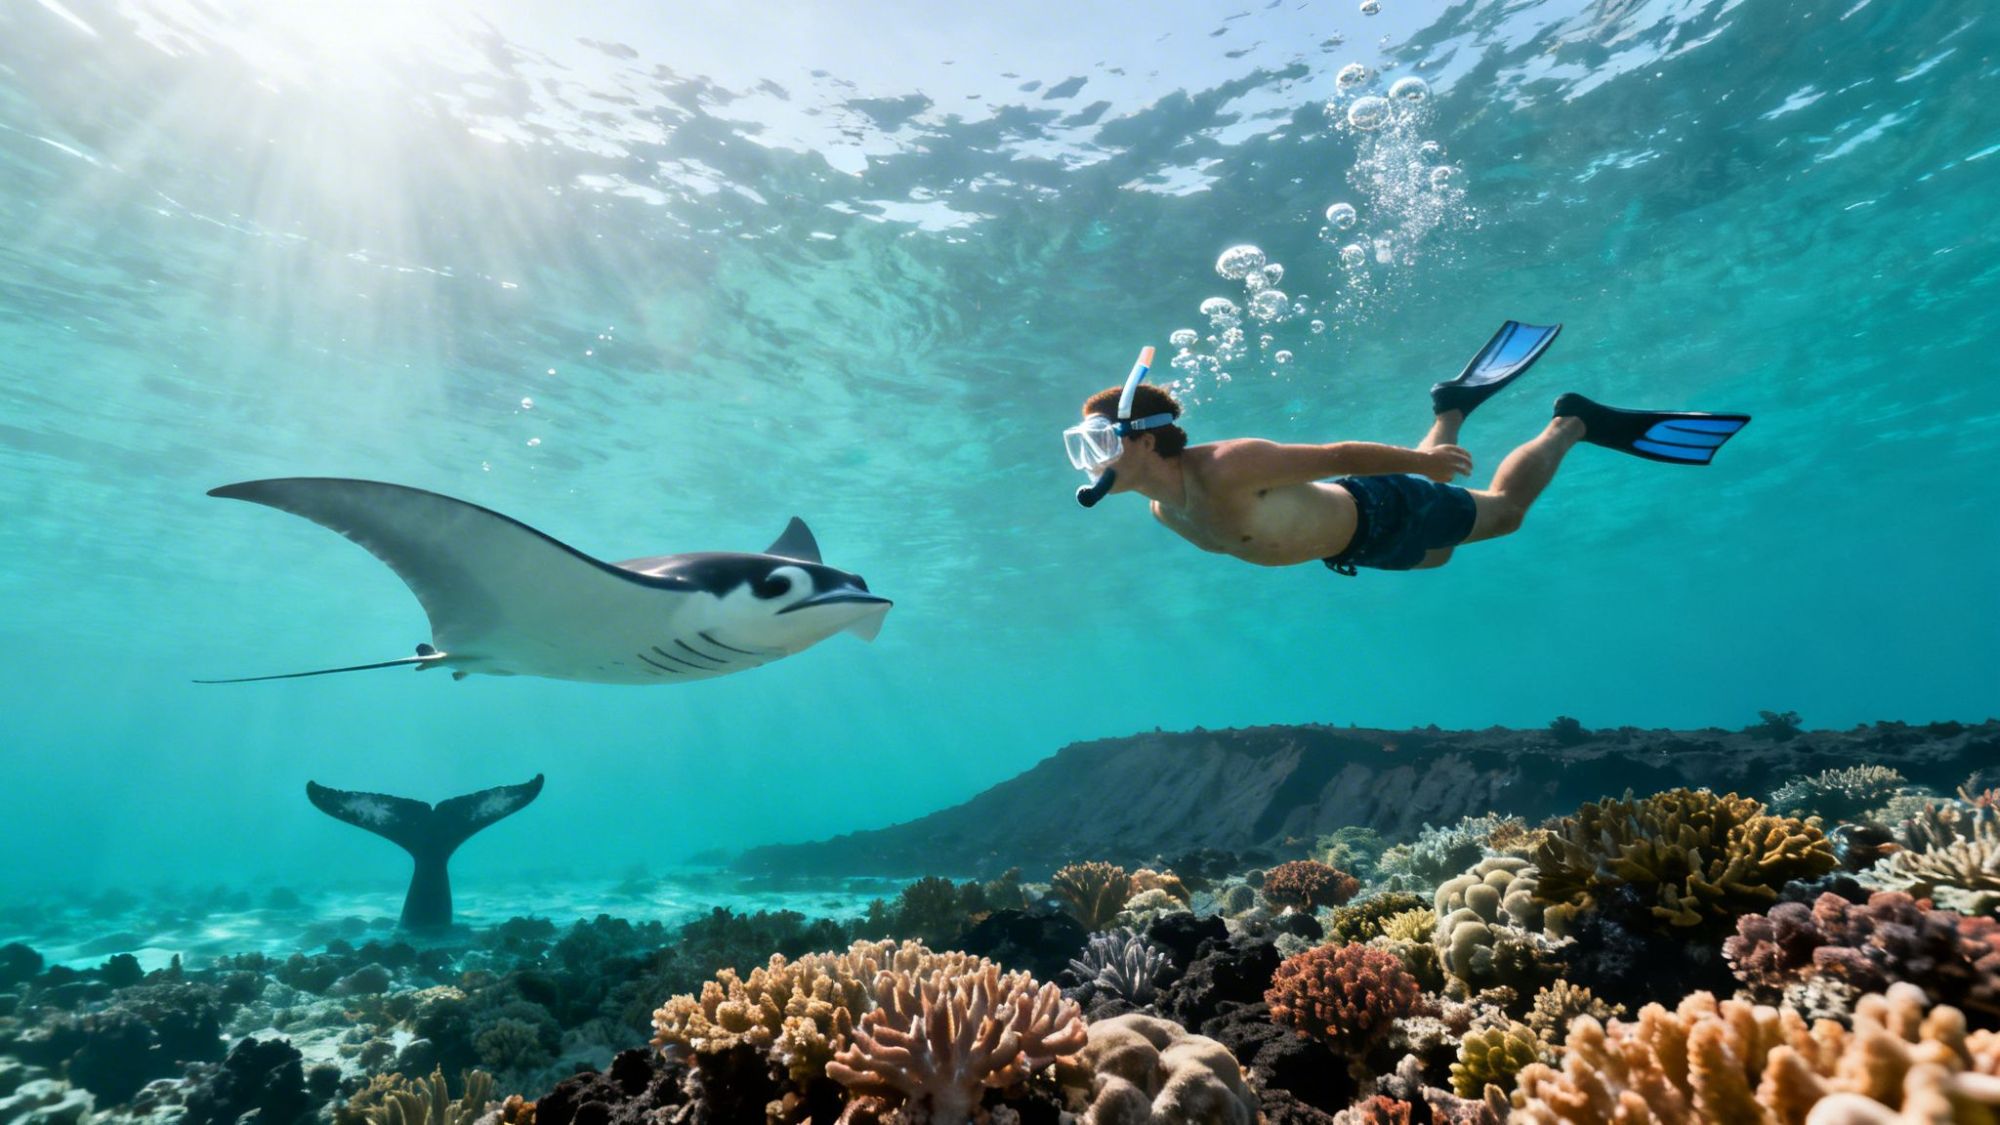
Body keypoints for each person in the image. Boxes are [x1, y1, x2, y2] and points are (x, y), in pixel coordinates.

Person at [1062, 322, 1749, 575]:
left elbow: (1336, 455)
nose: (1090, 460)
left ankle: (1571, 422)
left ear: (1141, 441)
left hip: (1383, 506)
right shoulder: (1160, 510)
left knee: (1505, 514)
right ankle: (1451, 405)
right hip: (1355, 548)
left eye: (1097, 442)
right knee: (1442, 555)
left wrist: (1420, 466)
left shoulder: (1226, 464)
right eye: (1083, 446)